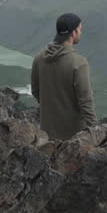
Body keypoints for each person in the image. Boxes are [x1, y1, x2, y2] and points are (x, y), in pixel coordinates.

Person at [30, 12, 96, 140]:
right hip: (74, 137)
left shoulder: (39, 58)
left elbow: (36, 91)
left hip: (47, 134)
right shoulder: (78, 63)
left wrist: (51, 107)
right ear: (73, 33)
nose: (81, 33)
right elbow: (85, 100)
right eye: (80, 30)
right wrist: (95, 130)